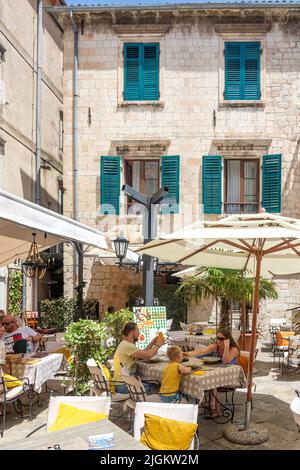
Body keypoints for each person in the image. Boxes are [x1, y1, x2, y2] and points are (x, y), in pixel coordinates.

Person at [183, 328, 239, 417]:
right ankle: (215, 409)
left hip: (230, 377)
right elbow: (202, 351)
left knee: (213, 382)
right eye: (217, 338)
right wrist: (188, 354)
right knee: (212, 380)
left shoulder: (233, 349)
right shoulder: (216, 346)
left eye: (221, 339)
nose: (218, 341)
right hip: (218, 374)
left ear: (227, 339)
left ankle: (213, 408)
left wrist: (226, 347)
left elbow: (225, 361)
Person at [113, 321, 165, 393]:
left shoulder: (125, 344)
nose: (139, 333)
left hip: (122, 383)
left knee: (153, 384)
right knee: (158, 386)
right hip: (124, 385)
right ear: (131, 332)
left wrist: (152, 343)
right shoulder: (128, 346)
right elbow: (148, 355)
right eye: (137, 330)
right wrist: (158, 345)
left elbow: (143, 354)